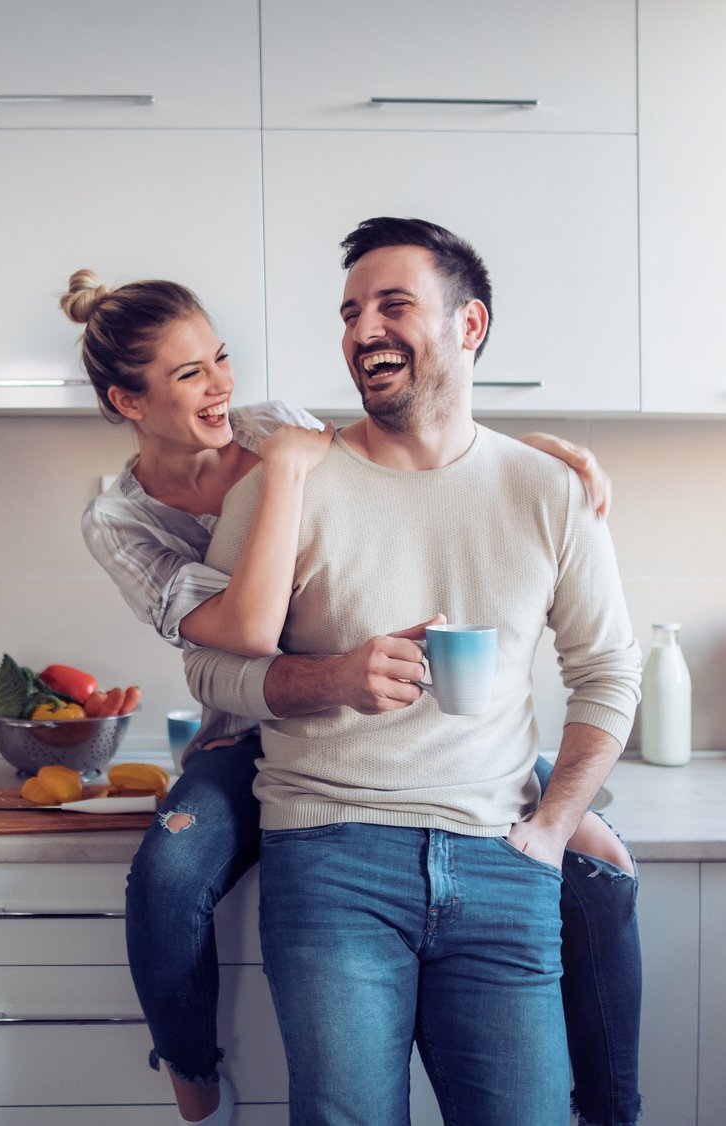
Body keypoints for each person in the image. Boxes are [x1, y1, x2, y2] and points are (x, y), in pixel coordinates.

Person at [65, 266, 638, 1126]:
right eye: (188, 376)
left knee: (604, 867)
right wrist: (290, 483)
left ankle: (610, 1107)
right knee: (171, 871)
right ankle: (190, 1072)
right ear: (129, 400)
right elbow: (239, 641)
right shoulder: (132, 515)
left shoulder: (272, 428)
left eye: (219, 361)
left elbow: (420, 435)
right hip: (259, 729)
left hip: (453, 788)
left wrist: (534, 462)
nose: (219, 385)